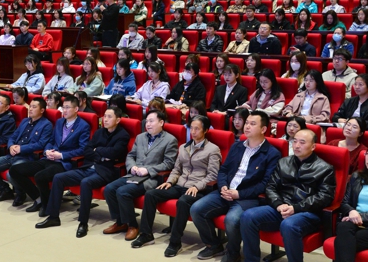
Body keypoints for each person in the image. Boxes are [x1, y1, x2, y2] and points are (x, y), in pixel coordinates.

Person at [190, 111, 282, 262]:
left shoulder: (271, 154)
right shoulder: (237, 146)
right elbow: (224, 170)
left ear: (264, 129)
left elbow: (265, 184)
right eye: (247, 123)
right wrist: (223, 186)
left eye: (253, 124)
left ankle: (233, 253)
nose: (247, 126)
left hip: (247, 197)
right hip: (225, 191)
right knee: (196, 209)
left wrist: (238, 194)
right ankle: (214, 245)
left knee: (232, 220)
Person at [241, 129, 336, 262]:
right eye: (295, 141)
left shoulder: (325, 168)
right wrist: (279, 204)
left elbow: (325, 197)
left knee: (289, 224)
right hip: (282, 208)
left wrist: (295, 208)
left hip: (307, 212)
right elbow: (271, 186)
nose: (297, 145)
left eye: (302, 142)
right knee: (248, 216)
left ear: (313, 146)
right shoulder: (283, 162)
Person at [132, 115, 221, 255]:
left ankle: (175, 242)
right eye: (191, 128)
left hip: (198, 189)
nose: (193, 132)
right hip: (180, 185)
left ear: (205, 130)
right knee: (151, 194)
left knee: (183, 201)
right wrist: (169, 182)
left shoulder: (213, 149)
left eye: (197, 129)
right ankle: (146, 234)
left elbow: (213, 175)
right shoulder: (184, 147)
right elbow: (176, 169)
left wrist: (197, 186)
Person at [36, 107, 129, 238]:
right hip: (88, 167)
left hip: (105, 172)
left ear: (118, 120)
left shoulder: (123, 135)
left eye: (109, 117)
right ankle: (53, 217)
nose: (105, 119)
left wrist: (97, 150)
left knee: (86, 183)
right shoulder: (99, 132)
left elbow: (114, 153)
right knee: (58, 178)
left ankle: (83, 223)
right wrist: (101, 155)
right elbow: (87, 150)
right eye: (104, 116)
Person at [102, 110, 178, 242]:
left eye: (151, 121)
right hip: (134, 174)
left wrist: (148, 170)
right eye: (146, 121)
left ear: (161, 122)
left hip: (151, 178)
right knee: (109, 189)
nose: (147, 124)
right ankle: (120, 222)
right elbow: (131, 155)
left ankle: (132, 225)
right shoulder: (140, 137)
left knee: (123, 192)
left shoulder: (170, 140)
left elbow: (169, 163)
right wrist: (132, 167)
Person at [9, 95, 90, 215]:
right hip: (49, 158)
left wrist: (61, 155)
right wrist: (47, 151)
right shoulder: (59, 122)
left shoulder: (83, 126)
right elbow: (50, 141)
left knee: (40, 176)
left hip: (64, 162)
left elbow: (83, 149)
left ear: (76, 109)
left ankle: (46, 206)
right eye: (63, 107)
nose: (65, 110)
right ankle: (38, 198)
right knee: (15, 170)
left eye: (68, 107)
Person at [0, 98, 53, 204]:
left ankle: (20, 194)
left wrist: (21, 149)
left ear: (42, 110)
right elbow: (12, 136)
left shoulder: (46, 124)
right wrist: (11, 146)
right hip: (12, 154)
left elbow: (41, 144)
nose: (30, 109)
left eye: (34, 107)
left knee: (11, 174)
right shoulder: (25, 121)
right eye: (30, 106)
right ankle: (5, 190)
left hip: (27, 157)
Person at [334, 154, 368, 262]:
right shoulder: (357, 176)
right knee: (343, 227)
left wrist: (358, 216)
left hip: (359, 220)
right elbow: (345, 202)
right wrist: (351, 211)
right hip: (355, 221)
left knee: (341, 241)